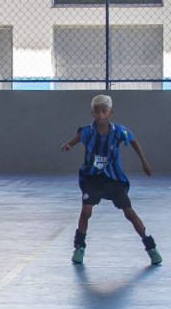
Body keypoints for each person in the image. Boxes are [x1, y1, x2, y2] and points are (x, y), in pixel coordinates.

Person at [60, 94, 160, 265]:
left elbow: (133, 140)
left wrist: (144, 162)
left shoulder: (119, 131)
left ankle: (151, 247)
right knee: (86, 212)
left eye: (104, 111)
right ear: (92, 113)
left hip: (113, 179)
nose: (100, 115)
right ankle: (79, 247)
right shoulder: (87, 131)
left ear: (110, 112)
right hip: (91, 179)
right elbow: (75, 139)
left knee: (129, 213)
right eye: (97, 111)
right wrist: (69, 145)